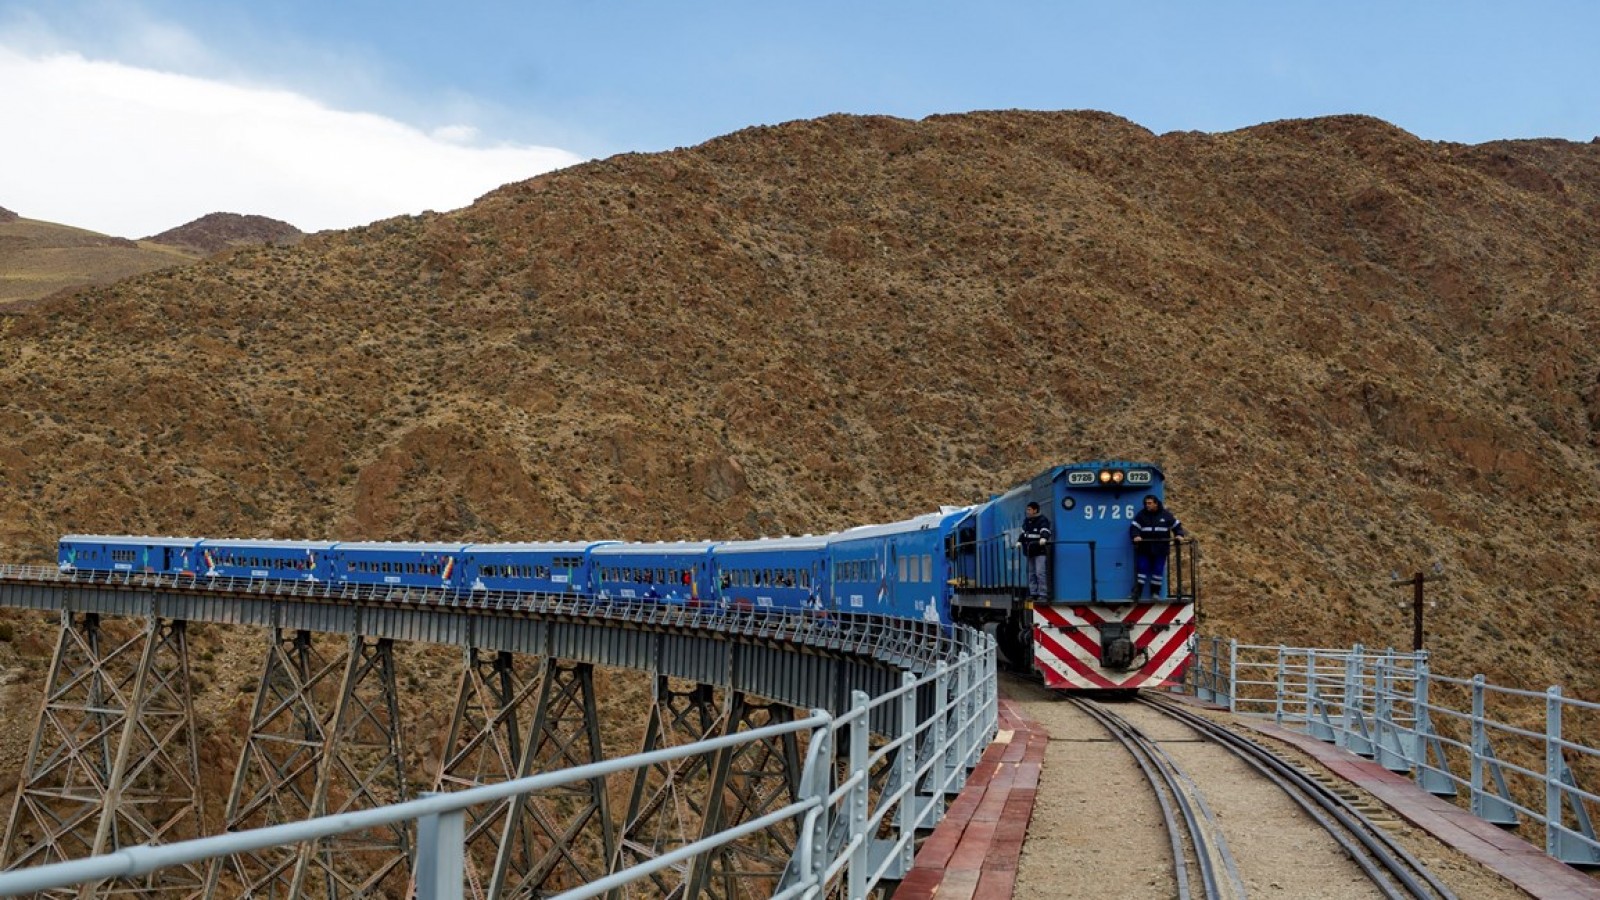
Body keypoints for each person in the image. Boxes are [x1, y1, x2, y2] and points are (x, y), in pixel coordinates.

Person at [1129, 494, 1187, 600]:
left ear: (1155, 504)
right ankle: (1137, 593)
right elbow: (1134, 528)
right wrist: (1135, 536)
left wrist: (1179, 535)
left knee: (1158, 570)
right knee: (1142, 568)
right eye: (1146, 503)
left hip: (1161, 549)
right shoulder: (1141, 515)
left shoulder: (1166, 515)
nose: (1147, 505)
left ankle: (1155, 593)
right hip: (1144, 548)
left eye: (1149, 503)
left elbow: (1177, 526)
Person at [1018, 501, 1052, 601]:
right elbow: (1023, 534)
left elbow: (1045, 530)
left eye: (1029, 509)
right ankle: (1033, 593)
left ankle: (1043, 594)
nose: (1027, 511)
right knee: (1031, 573)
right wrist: (1019, 541)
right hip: (1029, 552)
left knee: (1040, 573)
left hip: (1039, 551)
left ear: (1035, 510)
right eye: (1027, 509)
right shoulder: (1026, 521)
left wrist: (1044, 538)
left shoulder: (1042, 520)